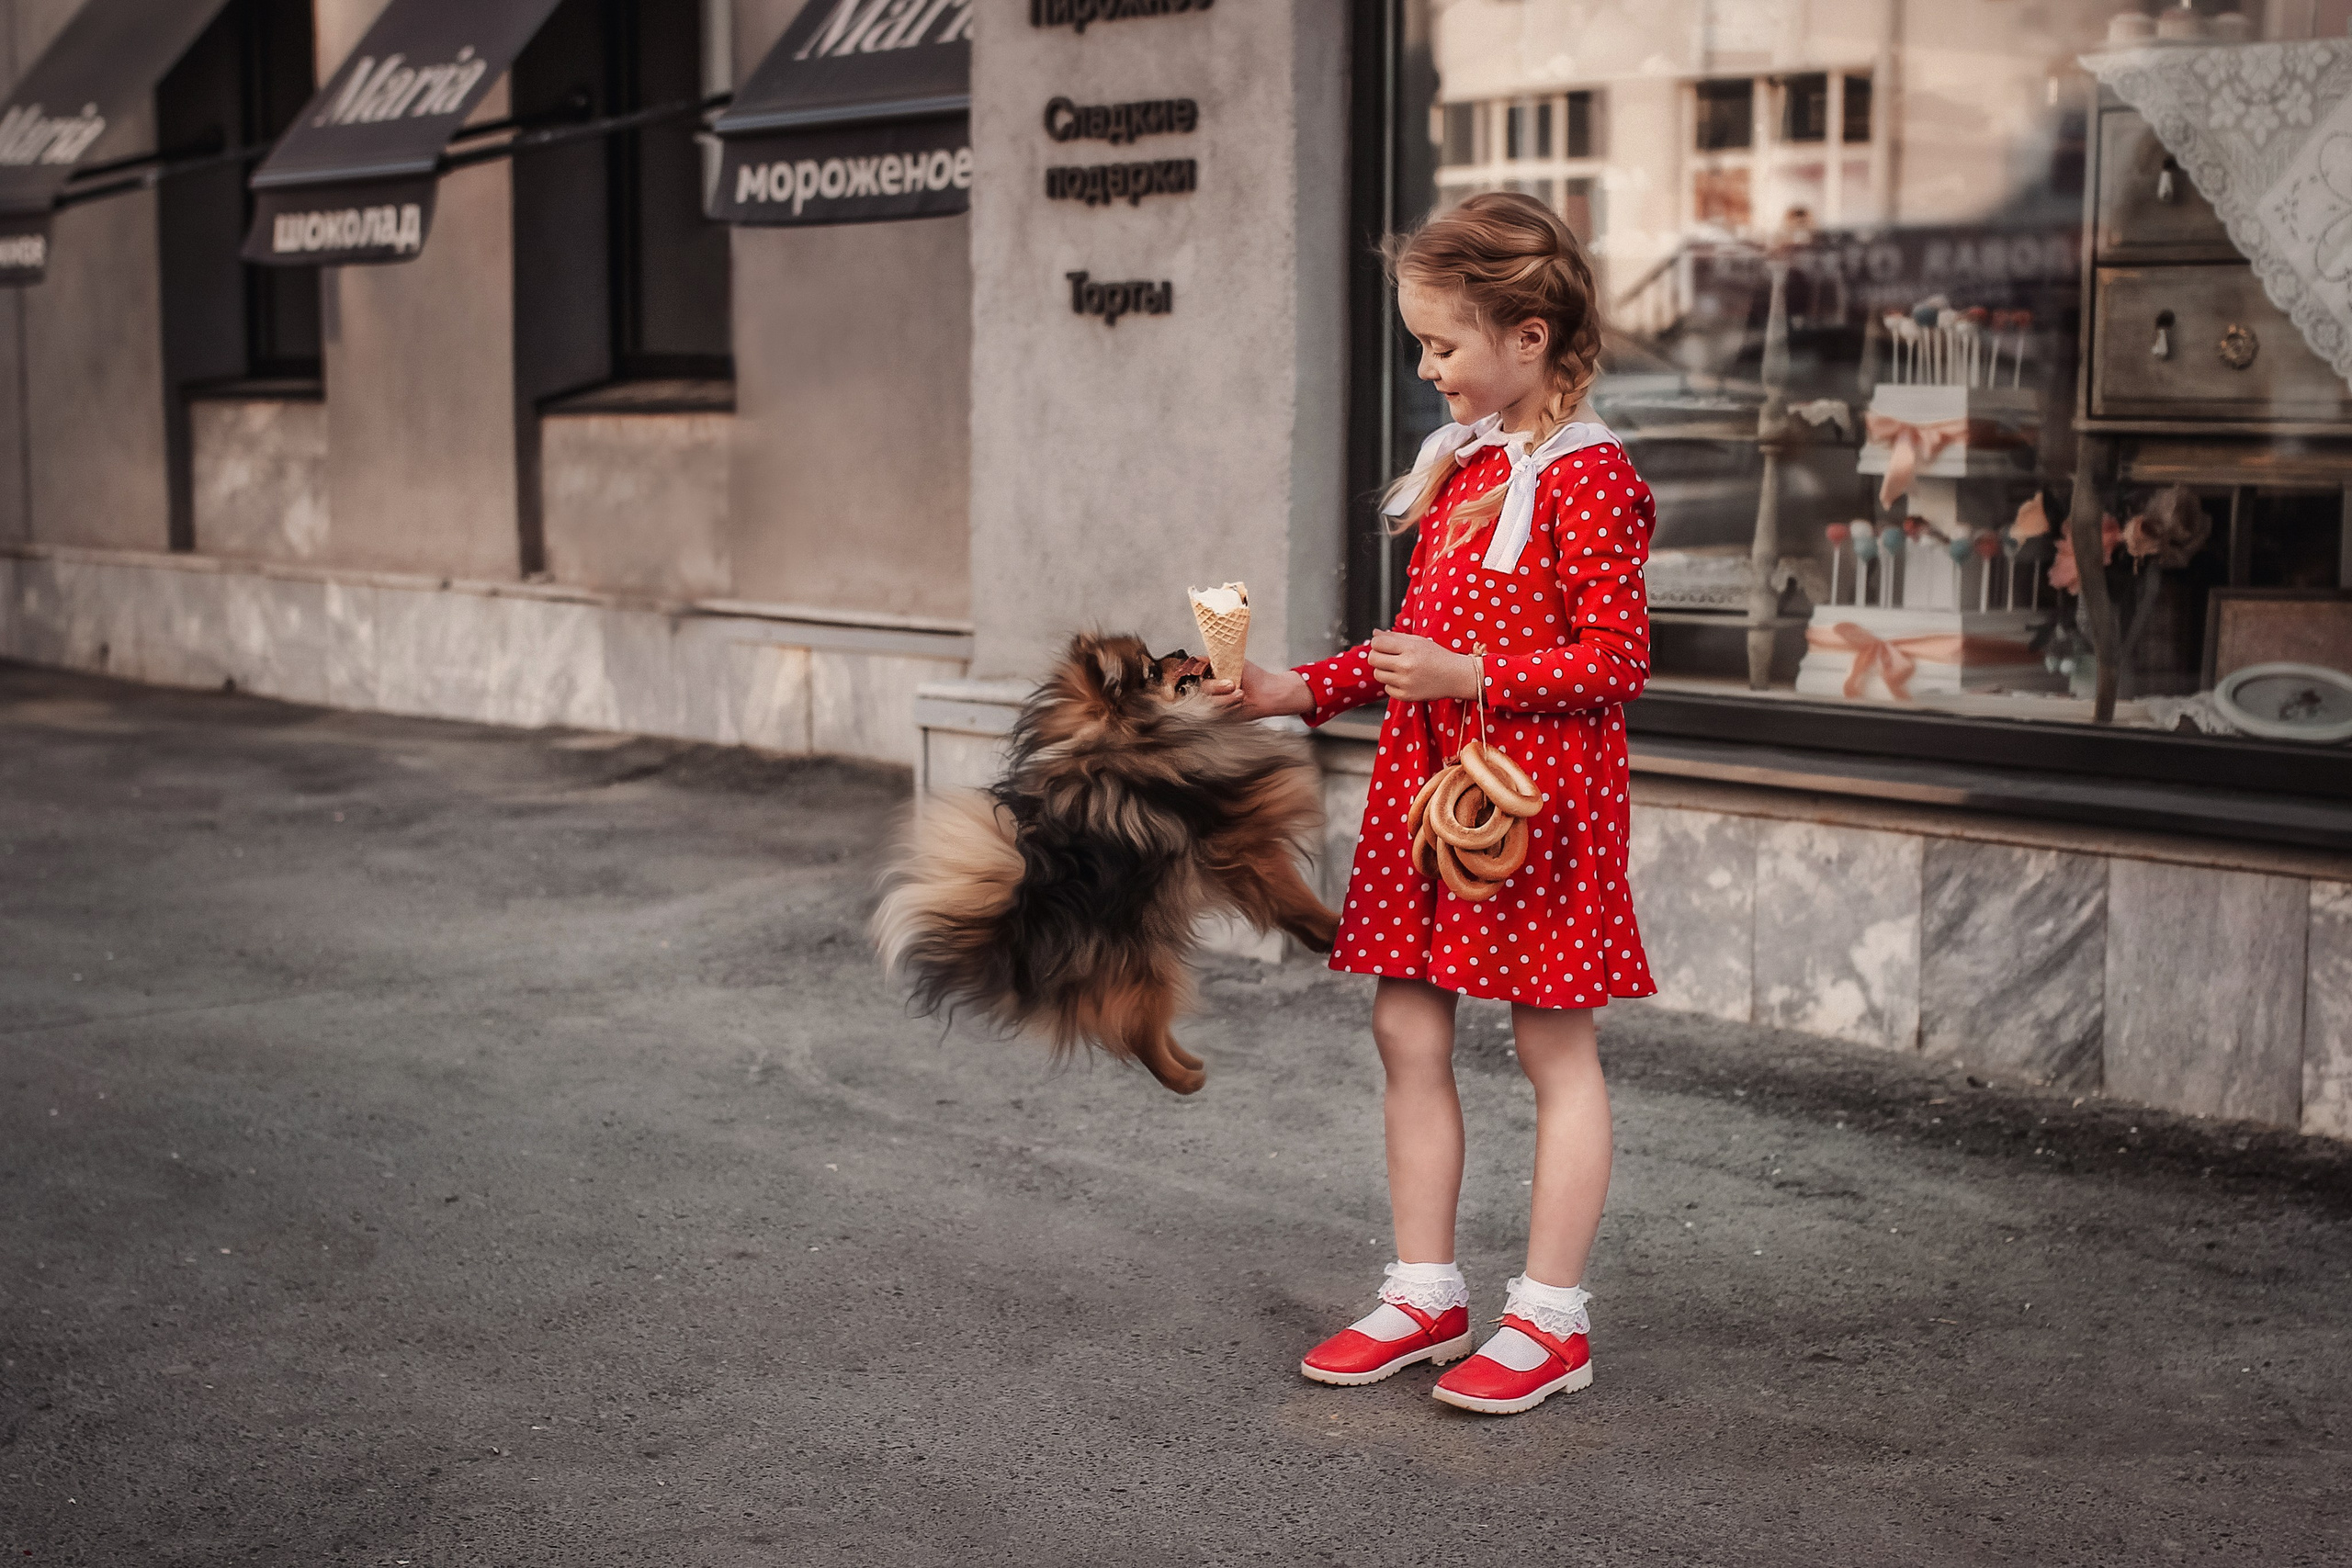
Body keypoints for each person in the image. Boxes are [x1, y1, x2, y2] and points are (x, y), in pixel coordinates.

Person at [1214, 191, 1656, 1416]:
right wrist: (1289, 689)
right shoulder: (1463, 468)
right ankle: (1426, 1294)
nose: (1425, 368)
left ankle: (1551, 1320)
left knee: (1552, 1047)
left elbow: (1618, 662)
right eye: (1419, 343)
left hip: (1535, 805)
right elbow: (1414, 646)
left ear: (1529, 336)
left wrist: (1475, 678)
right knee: (1406, 1032)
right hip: (1432, 798)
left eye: (1442, 344)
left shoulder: (1588, 474)